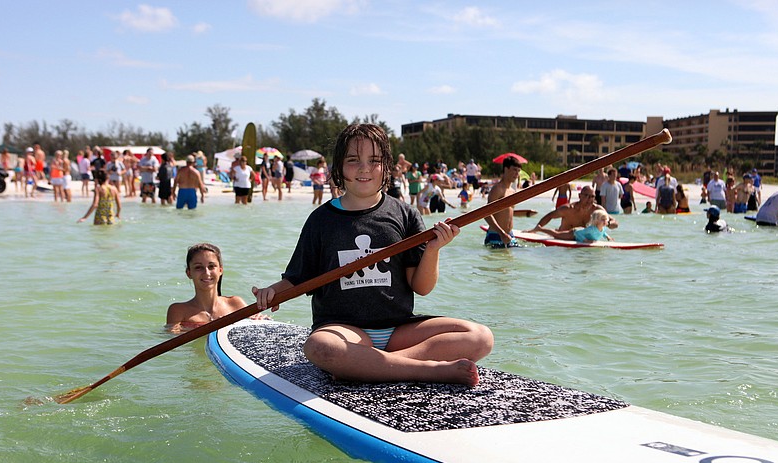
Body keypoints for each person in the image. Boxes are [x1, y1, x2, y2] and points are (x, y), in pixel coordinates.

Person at [252, 123, 492, 386]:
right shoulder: (321, 220)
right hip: (344, 331)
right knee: (319, 348)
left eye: (374, 160)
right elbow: (299, 278)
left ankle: (368, 365)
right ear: (339, 167)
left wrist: (433, 250)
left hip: (399, 330)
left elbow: (422, 287)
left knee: (480, 337)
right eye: (353, 160)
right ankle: (426, 370)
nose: (364, 168)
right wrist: (271, 292)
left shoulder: (405, 215)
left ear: (386, 166)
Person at [166, 243, 260, 332]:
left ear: (220, 270)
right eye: (198, 267)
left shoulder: (235, 304)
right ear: (189, 273)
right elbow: (171, 338)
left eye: (211, 266)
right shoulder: (179, 311)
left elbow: (255, 328)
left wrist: (259, 320)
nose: (206, 272)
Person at [531, 185, 619, 232]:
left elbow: (615, 222)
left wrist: (607, 224)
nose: (589, 199)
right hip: (563, 243)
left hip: (583, 244)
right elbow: (549, 216)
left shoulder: (597, 210)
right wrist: (536, 229)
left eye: (592, 196)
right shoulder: (568, 209)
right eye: (586, 196)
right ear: (579, 196)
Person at [483, 156, 523, 248]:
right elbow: (486, 214)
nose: (517, 174)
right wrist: (502, 233)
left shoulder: (512, 191)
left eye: (518, 171)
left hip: (509, 235)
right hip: (496, 235)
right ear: (506, 169)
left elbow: (507, 212)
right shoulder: (498, 189)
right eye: (514, 170)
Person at [537, 209, 614, 243]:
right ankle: (540, 228)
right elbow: (578, 234)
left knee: (559, 234)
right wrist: (585, 241)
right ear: (596, 221)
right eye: (602, 219)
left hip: (580, 233)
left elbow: (602, 233)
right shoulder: (591, 229)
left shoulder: (603, 228)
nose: (605, 221)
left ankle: (557, 230)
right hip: (574, 234)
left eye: (606, 219)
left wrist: (608, 237)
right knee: (556, 235)